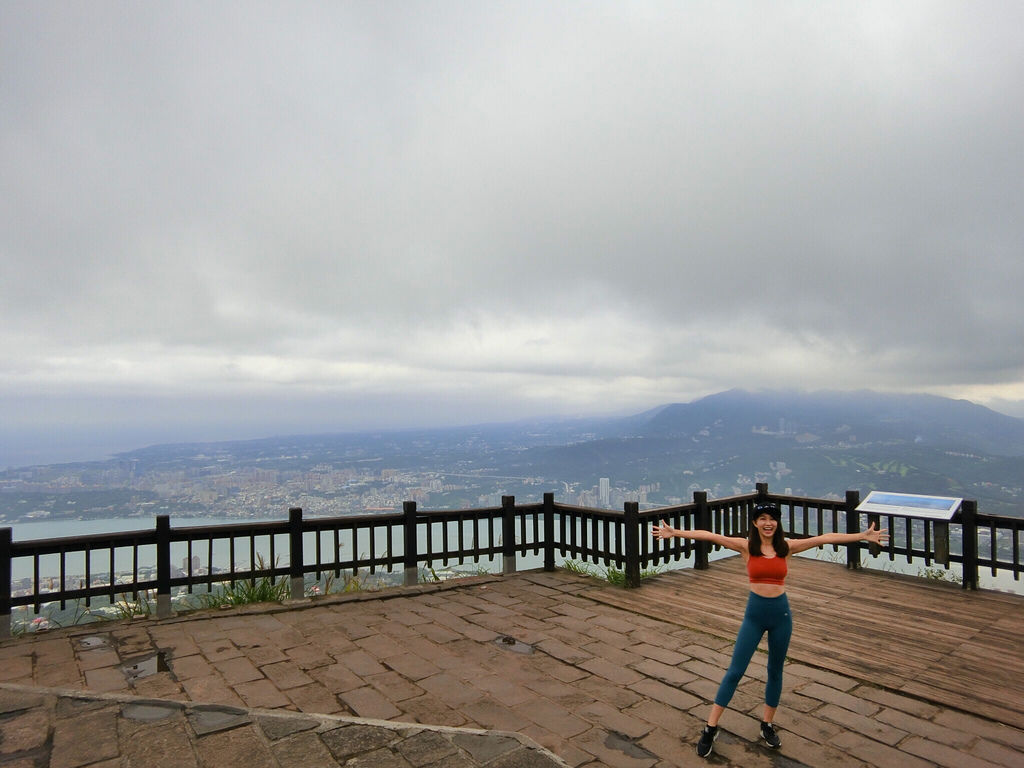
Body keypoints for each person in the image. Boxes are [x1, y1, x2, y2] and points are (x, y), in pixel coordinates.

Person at [651, 502, 888, 758]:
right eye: (762, 518)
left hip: (781, 617)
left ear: (778, 522)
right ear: (755, 523)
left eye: (772, 518)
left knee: (775, 672)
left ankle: (767, 724)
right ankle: (710, 728)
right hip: (754, 616)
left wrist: (862, 536)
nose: (767, 523)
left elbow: (825, 537)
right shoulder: (746, 547)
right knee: (735, 672)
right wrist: (676, 533)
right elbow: (710, 535)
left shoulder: (786, 547)